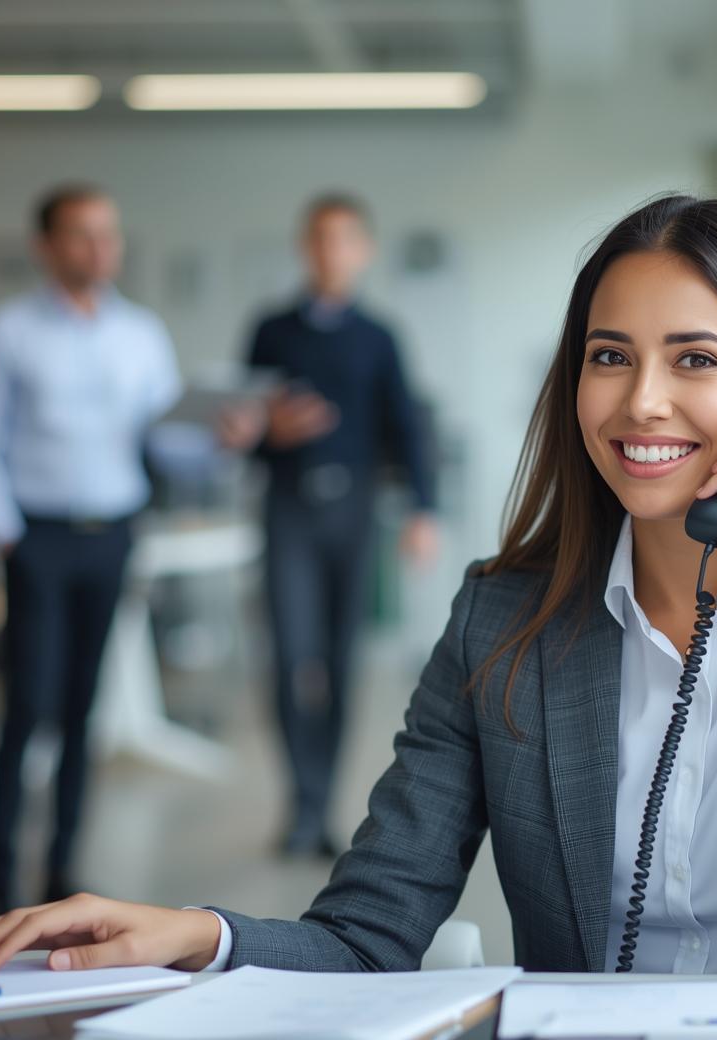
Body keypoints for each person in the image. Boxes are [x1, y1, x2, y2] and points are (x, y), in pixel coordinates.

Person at [0, 195, 717, 976]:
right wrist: (196, 933)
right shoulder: (506, 618)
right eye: (608, 356)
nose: (640, 402)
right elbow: (365, 934)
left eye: (694, 359)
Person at [0, 185, 181, 916]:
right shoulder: (9, 331)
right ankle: (0, 868)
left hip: (110, 535)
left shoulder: (141, 335)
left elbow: (171, 438)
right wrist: (5, 532)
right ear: (46, 246)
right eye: (81, 235)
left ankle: (63, 868)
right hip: (36, 538)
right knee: (28, 704)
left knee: (83, 708)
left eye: (107, 234)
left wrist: (222, 437)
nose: (98, 248)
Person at [222, 193, 439, 858]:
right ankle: (301, 802)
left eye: (345, 240)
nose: (331, 252)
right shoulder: (271, 330)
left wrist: (423, 510)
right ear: (303, 247)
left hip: (355, 514)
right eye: (319, 239)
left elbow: (408, 427)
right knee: (291, 659)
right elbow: (241, 427)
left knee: (342, 664)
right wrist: (268, 432)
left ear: (363, 251)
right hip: (288, 510)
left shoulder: (379, 337)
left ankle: (323, 805)